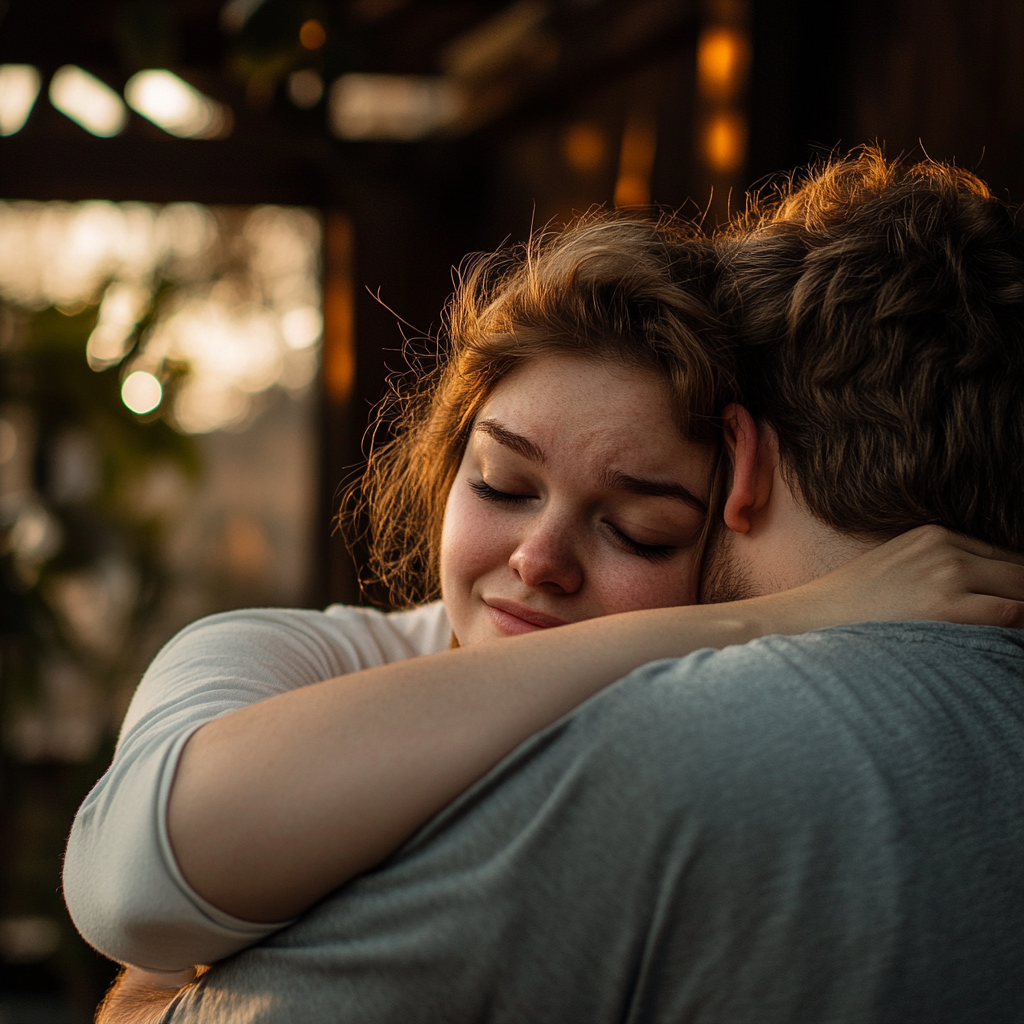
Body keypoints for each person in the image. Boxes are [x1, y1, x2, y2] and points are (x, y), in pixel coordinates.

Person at [71, 182, 1024, 1022]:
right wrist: (775, 615)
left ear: (731, 506)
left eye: (639, 531)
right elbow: (128, 885)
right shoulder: (273, 657)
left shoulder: (664, 751)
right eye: (500, 482)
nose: (540, 560)